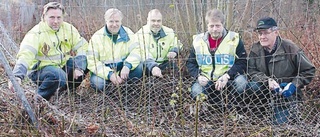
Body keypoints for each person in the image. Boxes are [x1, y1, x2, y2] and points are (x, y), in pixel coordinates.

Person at [8, 2, 88, 100]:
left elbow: (83, 47)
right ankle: (39, 100)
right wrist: (17, 75)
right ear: (44, 17)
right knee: (57, 75)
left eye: (59, 17)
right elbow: (26, 55)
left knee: (85, 63)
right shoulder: (36, 33)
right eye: (52, 17)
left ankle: (65, 92)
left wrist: (79, 67)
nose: (55, 21)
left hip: (60, 66)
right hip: (39, 70)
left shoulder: (68, 29)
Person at [247, 17, 315, 125]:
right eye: (260, 33)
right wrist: (267, 80)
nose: (262, 37)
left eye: (266, 33)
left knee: (279, 127)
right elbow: (251, 71)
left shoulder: (290, 47)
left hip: (286, 96)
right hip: (264, 93)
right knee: (251, 86)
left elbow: (308, 70)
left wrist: (293, 85)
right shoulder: (255, 48)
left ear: (276, 32)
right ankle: (257, 112)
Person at [186, 9, 247, 111]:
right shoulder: (198, 41)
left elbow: (242, 62)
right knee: (196, 90)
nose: (214, 29)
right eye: (211, 26)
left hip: (228, 80)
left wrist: (227, 75)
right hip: (206, 81)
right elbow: (190, 63)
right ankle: (206, 111)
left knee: (241, 82)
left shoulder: (234, 39)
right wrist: (198, 76)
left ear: (223, 25)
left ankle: (234, 109)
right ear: (207, 26)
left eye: (217, 26)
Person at [87, 8, 143, 93]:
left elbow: (137, 52)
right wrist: (110, 75)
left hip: (123, 70)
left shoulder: (129, 33)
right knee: (98, 83)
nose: (114, 24)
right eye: (111, 21)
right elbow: (92, 62)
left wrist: (127, 66)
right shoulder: (96, 37)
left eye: (117, 21)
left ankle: (127, 91)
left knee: (139, 68)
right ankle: (112, 95)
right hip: (104, 73)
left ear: (121, 21)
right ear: (106, 21)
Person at [136, 9, 183, 77]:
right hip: (147, 65)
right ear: (147, 21)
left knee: (175, 71)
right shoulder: (141, 34)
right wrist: (153, 66)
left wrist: (173, 51)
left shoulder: (169, 32)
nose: (156, 23)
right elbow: (143, 53)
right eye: (153, 21)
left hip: (165, 64)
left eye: (158, 21)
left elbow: (177, 43)